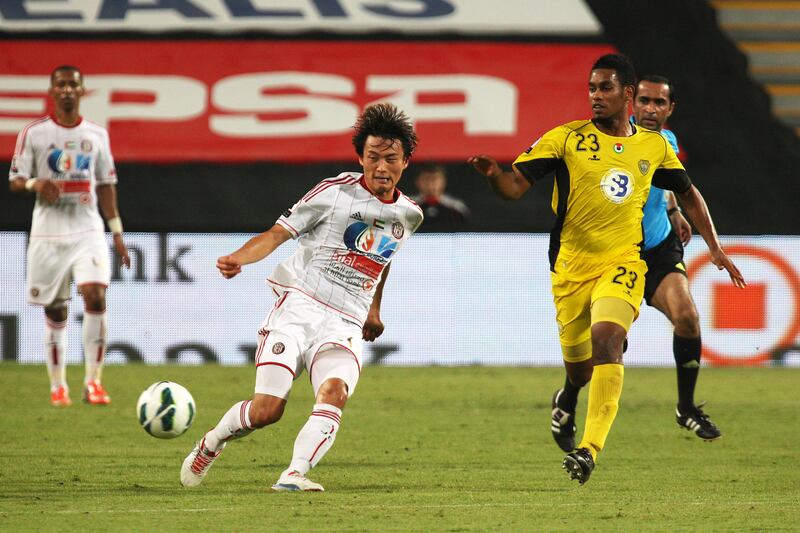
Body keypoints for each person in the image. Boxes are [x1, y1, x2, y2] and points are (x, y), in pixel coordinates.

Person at [469, 54, 745, 484]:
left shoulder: (654, 147)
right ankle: (567, 395)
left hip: (623, 263)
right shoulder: (565, 139)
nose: (596, 96)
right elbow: (514, 187)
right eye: (592, 89)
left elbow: (689, 194)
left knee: (610, 340)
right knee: (580, 367)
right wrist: (493, 177)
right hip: (570, 270)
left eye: (605, 88)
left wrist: (715, 248)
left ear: (626, 94)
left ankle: (589, 449)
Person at [180, 103, 423, 492]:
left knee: (334, 393)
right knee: (266, 411)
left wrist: (374, 309)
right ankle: (211, 442)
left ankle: (294, 474)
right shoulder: (333, 192)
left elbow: (384, 255)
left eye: (390, 159)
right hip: (300, 308)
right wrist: (240, 258)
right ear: (360, 157)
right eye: (373, 157)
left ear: (405, 162)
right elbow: (278, 233)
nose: (381, 167)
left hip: (346, 321)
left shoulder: (410, 214)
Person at [549, 75, 721, 456]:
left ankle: (686, 406)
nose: (651, 109)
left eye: (660, 103)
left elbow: (668, 184)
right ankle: (569, 395)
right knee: (603, 347)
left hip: (656, 249)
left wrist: (675, 210)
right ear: (631, 101)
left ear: (670, 109)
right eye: (644, 101)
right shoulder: (595, 141)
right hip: (610, 256)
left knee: (688, 317)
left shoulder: (664, 143)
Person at [8, 65, 130, 407]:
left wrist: (116, 231)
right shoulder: (34, 133)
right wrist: (35, 183)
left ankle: (93, 382)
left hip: (88, 229)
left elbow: (106, 184)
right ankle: (58, 384)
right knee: (57, 311)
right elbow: (15, 179)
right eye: (60, 85)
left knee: (95, 295)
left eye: (72, 85)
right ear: (51, 91)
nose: (66, 90)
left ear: (81, 91)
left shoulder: (96, 135)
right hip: (48, 233)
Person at [412, 163, 470, 231]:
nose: (431, 183)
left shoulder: (457, 209)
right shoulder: (407, 206)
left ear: (443, 181)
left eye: (435, 179)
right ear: (418, 182)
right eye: (426, 178)